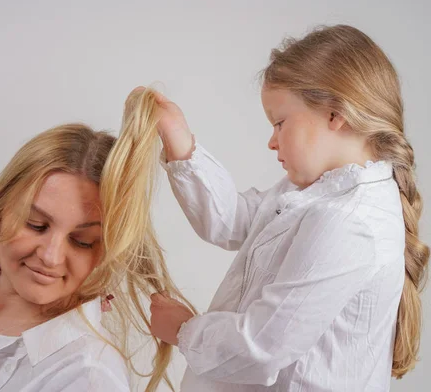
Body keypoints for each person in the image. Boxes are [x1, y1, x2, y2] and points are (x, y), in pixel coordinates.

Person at [147, 24, 429, 391]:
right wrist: (179, 140)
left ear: (335, 112)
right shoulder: (319, 193)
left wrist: (184, 330)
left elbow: (262, 347)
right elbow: (234, 222)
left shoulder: (349, 221)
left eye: (280, 123)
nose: (272, 141)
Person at [0, 88, 196, 392]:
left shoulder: (87, 375)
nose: (51, 256)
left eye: (82, 241)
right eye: (36, 224)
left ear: (108, 251)